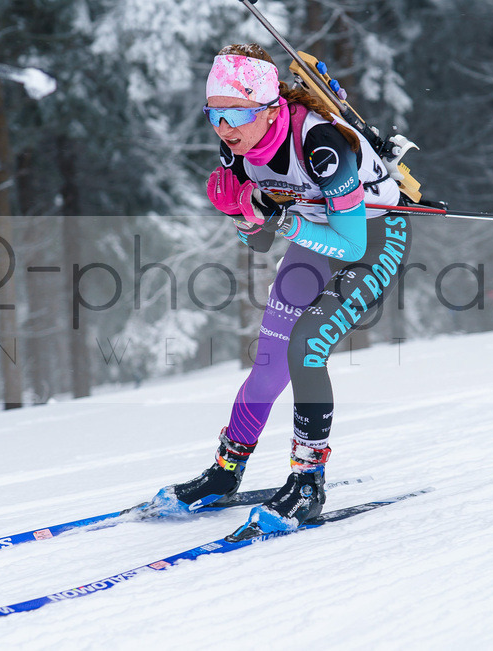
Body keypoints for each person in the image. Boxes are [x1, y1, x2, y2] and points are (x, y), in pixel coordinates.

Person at [149, 43, 412, 535]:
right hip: (315, 236)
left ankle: (308, 483)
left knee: (306, 345)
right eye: (214, 114)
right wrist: (244, 214)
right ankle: (225, 472)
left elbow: (352, 244)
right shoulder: (237, 148)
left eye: (236, 114)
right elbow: (260, 240)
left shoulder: (321, 145)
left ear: (270, 109)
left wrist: (279, 218)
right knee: (269, 362)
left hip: (374, 238)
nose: (224, 128)